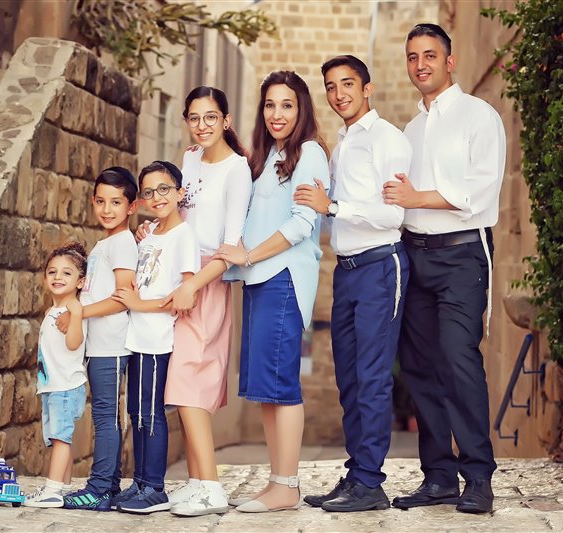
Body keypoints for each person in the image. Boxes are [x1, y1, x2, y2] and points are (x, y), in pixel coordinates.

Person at [382, 23, 506, 514]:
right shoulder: (410, 130)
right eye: (413, 56)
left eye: (430, 55)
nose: (421, 64)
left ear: (449, 61)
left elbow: (481, 191)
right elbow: (396, 200)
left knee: (458, 359)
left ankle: (478, 477)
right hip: (414, 254)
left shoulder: (479, 116)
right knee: (419, 367)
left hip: (462, 255)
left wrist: (416, 198)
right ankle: (437, 477)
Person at [293, 55, 412, 513]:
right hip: (346, 271)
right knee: (349, 379)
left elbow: (394, 215)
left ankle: (370, 483)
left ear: (367, 88)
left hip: (381, 266)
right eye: (330, 86)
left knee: (373, 377)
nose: (339, 93)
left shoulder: (387, 139)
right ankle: (357, 473)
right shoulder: (341, 145)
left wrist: (334, 206)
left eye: (347, 84)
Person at [215, 70, 329, 513]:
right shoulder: (265, 158)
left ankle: (288, 484)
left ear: (301, 110)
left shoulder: (310, 154)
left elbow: (302, 225)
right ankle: (277, 480)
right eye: (269, 105)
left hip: (283, 278)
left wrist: (249, 255)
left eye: (287, 105)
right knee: (265, 388)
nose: (276, 114)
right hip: (258, 280)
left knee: (281, 384)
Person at [156, 87, 252, 517]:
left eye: (211, 117)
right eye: (194, 117)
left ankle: (211, 487)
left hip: (207, 281)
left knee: (189, 380)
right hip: (180, 276)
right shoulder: (190, 158)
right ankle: (197, 482)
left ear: (226, 121)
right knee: (181, 384)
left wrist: (194, 286)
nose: (202, 125)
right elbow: (180, 218)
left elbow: (230, 246)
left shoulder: (237, 170)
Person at [111, 161, 200, 514]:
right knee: (136, 412)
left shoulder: (184, 236)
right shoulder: (149, 235)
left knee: (151, 413)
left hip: (156, 338)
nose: (157, 197)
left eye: (164, 189)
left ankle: (155, 488)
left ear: (180, 192)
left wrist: (138, 303)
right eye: (149, 192)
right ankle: (139, 483)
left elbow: (183, 297)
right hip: (135, 336)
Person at [59, 167, 139, 512]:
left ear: (131, 207)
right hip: (100, 344)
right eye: (101, 201)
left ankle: (99, 488)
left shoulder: (121, 243)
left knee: (106, 416)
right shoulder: (107, 243)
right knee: (107, 415)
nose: (107, 209)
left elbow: (123, 297)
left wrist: (78, 313)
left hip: (112, 344)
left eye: (116, 202)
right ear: (93, 201)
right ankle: (109, 485)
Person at [24, 242, 88, 508]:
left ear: (80, 282)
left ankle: (51, 490)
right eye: (52, 272)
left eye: (66, 273)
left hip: (65, 386)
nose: (58, 277)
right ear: (44, 278)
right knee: (59, 439)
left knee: (61, 438)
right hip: (52, 387)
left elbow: (74, 343)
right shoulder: (53, 311)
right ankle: (63, 488)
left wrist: (77, 313)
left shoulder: (73, 311)